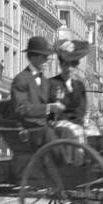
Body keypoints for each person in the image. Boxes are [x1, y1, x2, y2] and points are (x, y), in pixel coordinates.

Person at [10, 36, 65, 176]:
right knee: (51, 135)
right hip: (30, 131)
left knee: (67, 129)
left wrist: (58, 108)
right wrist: (49, 108)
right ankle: (68, 166)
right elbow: (22, 109)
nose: (47, 60)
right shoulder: (21, 79)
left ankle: (75, 162)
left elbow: (52, 104)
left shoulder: (45, 81)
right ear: (33, 57)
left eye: (47, 56)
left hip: (43, 127)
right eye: (44, 56)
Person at [49, 38, 90, 144]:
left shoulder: (79, 86)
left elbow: (82, 109)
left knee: (93, 133)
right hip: (58, 125)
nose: (69, 69)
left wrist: (78, 122)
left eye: (72, 65)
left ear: (75, 67)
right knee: (72, 132)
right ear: (61, 65)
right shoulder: (52, 83)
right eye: (65, 65)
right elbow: (50, 109)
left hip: (77, 124)